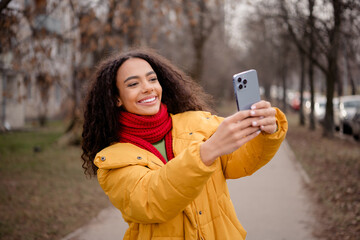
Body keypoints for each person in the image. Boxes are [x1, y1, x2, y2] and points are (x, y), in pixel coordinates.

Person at [81, 48, 288, 240]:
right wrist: (207, 152)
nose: (148, 88)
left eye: (152, 79)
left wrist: (267, 132)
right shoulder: (111, 160)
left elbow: (241, 161)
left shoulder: (198, 123)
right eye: (133, 84)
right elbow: (151, 201)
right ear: (117, 98)